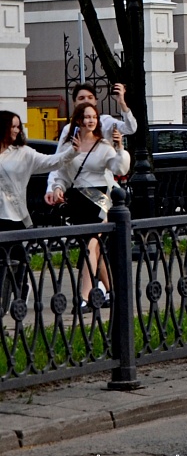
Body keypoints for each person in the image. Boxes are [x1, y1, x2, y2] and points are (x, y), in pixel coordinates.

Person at [46, 102, 130, 310]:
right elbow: (62, 174)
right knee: (94, 248)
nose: (91, 121)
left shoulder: (103, 145)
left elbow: (119, 167)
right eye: (87, 117)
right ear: (78, 120)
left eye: (94, 117)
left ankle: (83, 297)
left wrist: (120, 149)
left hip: (101, 198)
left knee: (91, 244)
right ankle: (112, 292)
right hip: (78, 199)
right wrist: (57, 188)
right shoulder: (70, 146)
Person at [0, 111, 81, 307]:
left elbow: (51, 162)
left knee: (16, 257)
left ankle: (20, 290)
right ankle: (4, 297)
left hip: (14, 215)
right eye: (13, 126)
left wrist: (72, 152)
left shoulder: (24, 153)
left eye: (18, 126)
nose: (17, 130)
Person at [53, 83, 136, 145]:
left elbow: (130, 128)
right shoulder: (68, 129)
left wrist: (122, 103)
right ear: (74, 102)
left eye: (90, 97)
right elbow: (59, 158)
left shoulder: (106, 122)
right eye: (81, 98)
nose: (86, 101)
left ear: (95, 101)